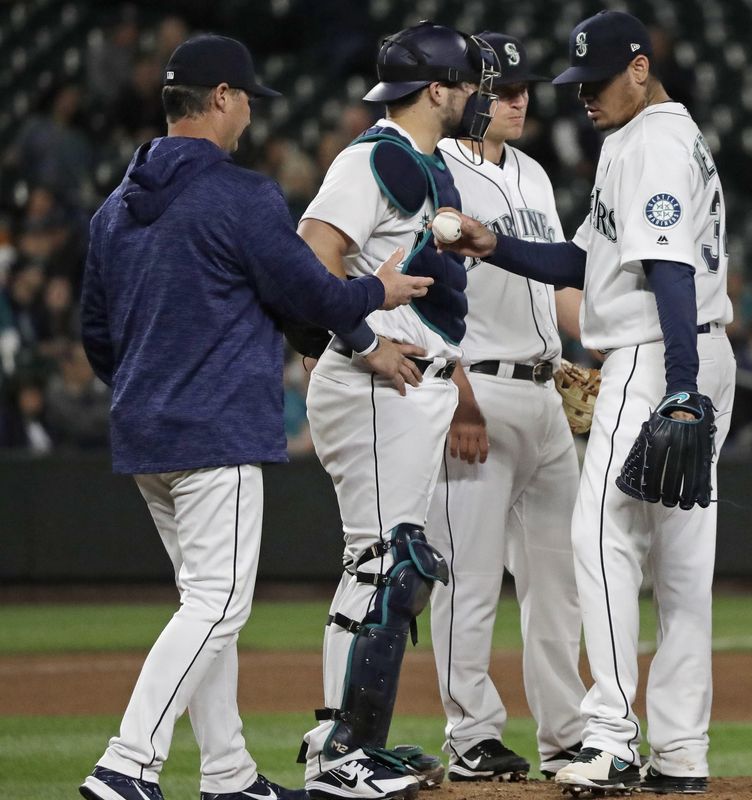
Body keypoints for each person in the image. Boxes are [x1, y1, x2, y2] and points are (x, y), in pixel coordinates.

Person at [77, 34, 427, 800]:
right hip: (216, 431)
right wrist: (381, 292)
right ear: (224, 98)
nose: (247, 118)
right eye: (245, 101)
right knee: (216, 605)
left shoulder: (113, 209)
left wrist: (148, 386)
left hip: (146, 436)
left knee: (204, 606)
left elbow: (96, 337)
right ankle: (126, 763)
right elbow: (316, 296)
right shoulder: (240, 196)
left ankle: (228, 773)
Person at [437, 11, 736, 795]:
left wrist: (676, 386)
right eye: (575, 85)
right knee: (678, 566)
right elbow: (586, 259)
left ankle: (608, 731)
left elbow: (668, 270)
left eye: (595, 82)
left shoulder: (654, 144)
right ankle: (680, 751)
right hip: (694, 347)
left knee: (600, 541)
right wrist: (494, 244)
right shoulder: (653, 138)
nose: (582, 98)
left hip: (658, 352)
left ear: (640, 68)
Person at [292, 21, 499, 800]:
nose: (476, 95)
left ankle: (346, 741)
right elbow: (309, 244)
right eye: (468, 83)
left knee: (387, 562)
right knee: (385, 562)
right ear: (438, 89)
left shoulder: (419, 162)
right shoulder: (375, 155)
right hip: (381, 381)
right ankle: (343, 754)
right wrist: (352, 333)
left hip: (408, 380)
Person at [426, 31, 587, 782]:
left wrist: (602, 349)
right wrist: (457, 396)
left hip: (546, 394)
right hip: (477, 393)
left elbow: (559, 285)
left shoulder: (531, 172)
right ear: (470, 91)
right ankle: (471, 734)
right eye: (505, 88)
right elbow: (426, 299)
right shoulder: (437, 173)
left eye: (526, 89)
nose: (520, 99)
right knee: (468, 574)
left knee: (562, 578)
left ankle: (569, 733)